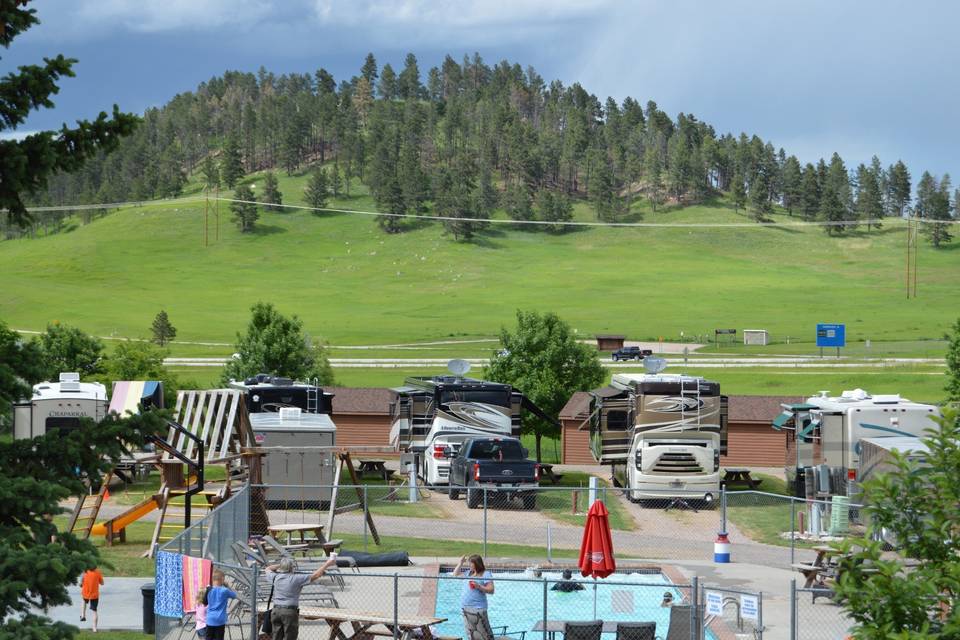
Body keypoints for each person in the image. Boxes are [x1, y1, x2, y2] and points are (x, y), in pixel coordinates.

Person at [265, 554, 339, 640]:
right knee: (290, 637)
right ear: (291, 568)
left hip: (276, 611)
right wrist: (328, 563)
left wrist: (281, 565)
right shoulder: (296, 578)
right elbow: (316, 575)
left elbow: (268, 569)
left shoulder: (275, 577)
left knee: (276, 637)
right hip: (289, 611)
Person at [453, 554, 494, 639]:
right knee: (470, 633)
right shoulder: (468, 573)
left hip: (478, 609)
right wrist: (460, 563)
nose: (469, 565)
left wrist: (479, 586)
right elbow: (455, 574)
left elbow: (491, 590)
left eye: (471, 563)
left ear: (477, 564)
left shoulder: (485, 574)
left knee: (484, 634)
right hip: (465, 609)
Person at [205, 570, 237, 640]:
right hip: (220, 620)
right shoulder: (225, 590)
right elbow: (234, 596)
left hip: (210, 619)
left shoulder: (208, 590)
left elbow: (204, 601)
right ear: (222, 579)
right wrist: (228, 586)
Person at [80, 566, 104, 632]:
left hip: (86, 593)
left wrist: (81, 584)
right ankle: (94, 628)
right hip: (94, 595)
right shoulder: (98, 573)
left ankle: (83, 615)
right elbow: (102, 583)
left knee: (84, 601)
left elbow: (81, 583)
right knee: (94, 611)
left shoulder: (84, 572)